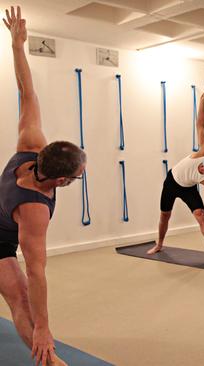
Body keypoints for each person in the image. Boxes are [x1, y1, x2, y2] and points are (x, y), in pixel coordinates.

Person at [0, 6, 86, 366]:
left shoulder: (31, 143)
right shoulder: (34, 210)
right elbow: (36, 271)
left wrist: (17, 45)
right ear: (61, 180)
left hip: (3, 220)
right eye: (78, 176)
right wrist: (44, 327)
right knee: (21, 299)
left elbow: (26, 90)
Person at [147, 85, 204, 263]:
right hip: (171, 182)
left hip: (188, 188)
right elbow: (200, 124)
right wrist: (202, 101)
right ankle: (160, 243)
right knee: (165, 215)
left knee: (201, 217)